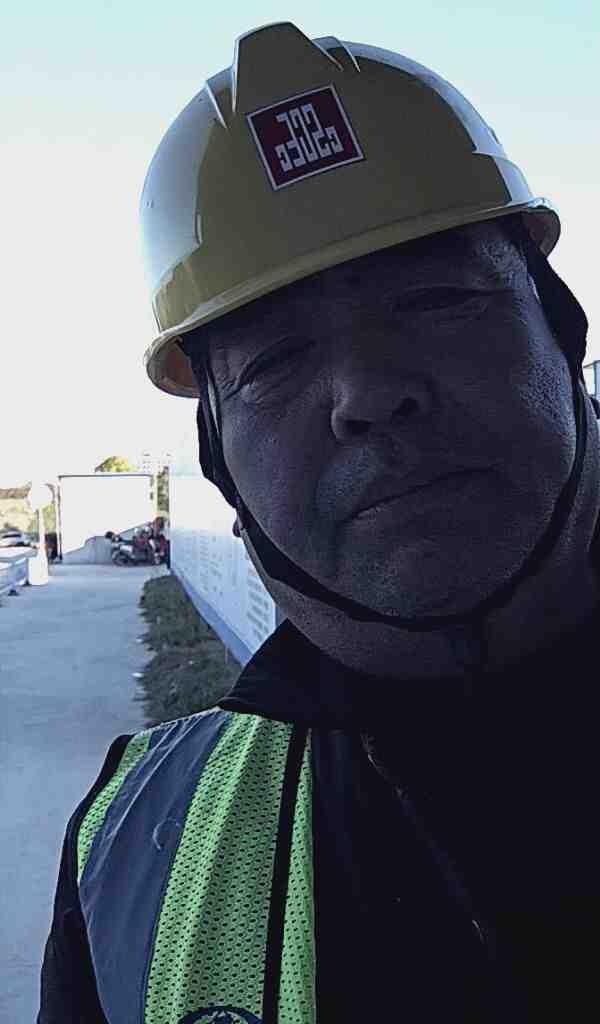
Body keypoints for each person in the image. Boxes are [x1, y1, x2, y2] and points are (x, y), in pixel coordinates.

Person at [37, 22, 599, 1023]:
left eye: (435, 300)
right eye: (275, 360)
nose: (368, 394)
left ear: (561, 334)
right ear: (220, 459)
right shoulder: (133, 859)